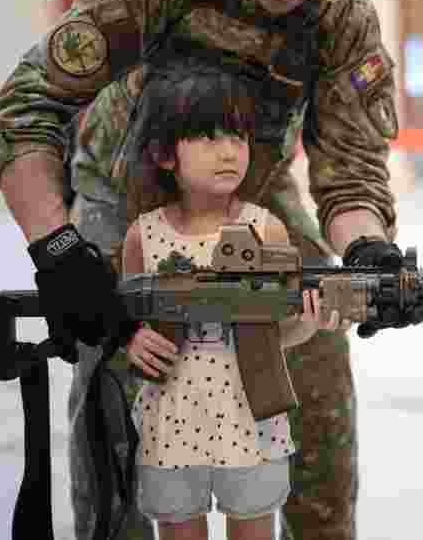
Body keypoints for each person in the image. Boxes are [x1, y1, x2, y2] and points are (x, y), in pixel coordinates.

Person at [0, 0, 423, 538]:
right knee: (117, 375)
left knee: (317, 350)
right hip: (122, 180)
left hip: (255, 186)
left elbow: (351, 167)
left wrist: (368, 251)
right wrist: (61, 251)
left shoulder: (340, 13)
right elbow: (21, 115)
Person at [121, 62, 346, 540]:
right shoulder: (144, 237)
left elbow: (275, 331)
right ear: (164, 154)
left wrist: (307, 324)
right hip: (172, 416)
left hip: (250, 416)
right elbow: (128, 320)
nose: (229, 152)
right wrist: (130, 341)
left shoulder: (264, 229)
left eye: (238, 137)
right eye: (208, 137)